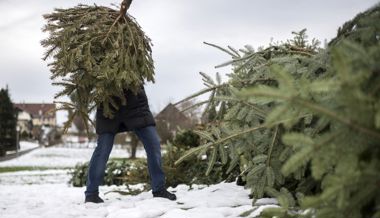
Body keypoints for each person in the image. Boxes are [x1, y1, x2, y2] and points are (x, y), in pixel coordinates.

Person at [84, 86, 176, 203]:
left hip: (136, 104)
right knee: (102, 150)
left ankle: (159, 189)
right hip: (108, 104)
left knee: (153, 145)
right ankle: (91, 194)